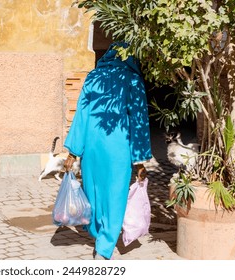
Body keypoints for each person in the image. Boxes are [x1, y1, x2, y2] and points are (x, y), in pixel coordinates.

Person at [64, 43, 152, 260]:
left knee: (93, 191)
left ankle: (96, 232)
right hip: (118, 148)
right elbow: (138, 121)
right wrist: (139, 160)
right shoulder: (132, 80)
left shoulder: (93, 77)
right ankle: (104, 247)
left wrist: (73, 152)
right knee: (115, 196)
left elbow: (81, 116)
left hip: (92, 147)